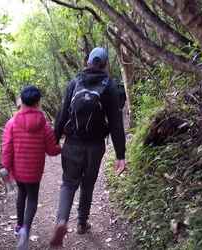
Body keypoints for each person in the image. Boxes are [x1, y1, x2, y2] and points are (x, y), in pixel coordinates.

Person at [50, 47, 126, 247]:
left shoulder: (75, 82)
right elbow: (116, 123)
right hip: (95, 146)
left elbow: (62, 114)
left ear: (88, 61)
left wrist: (55, 138)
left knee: (68, 183)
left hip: (73, 143)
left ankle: (61, 221)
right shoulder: (109, 86)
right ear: (105, 64)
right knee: (88, 184)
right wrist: (120, 154)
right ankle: (82, 223)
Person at [0, 85, 61, 250]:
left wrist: (5, 167)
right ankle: (26, 229)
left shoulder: (11, 123)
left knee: (22, 194)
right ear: (38, 102)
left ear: (22, 100)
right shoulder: (44, 124)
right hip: (34, 171)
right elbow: (52, 150)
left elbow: (6, 147)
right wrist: (62, 147)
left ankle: (19, 227)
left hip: (18, 170)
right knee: (32, 198)